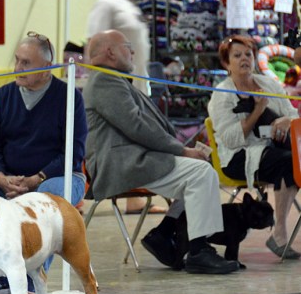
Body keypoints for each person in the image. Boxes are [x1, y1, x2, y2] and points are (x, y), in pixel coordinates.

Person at [83, 30, 238, 275]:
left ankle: (164, 233)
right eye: (127, 46)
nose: (132, 51)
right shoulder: (104, 80)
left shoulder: (114, 79)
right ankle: (198, 250)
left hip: (136, 158)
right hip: (121, 163)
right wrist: (182, 150)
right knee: (201, 173)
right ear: (110, 52)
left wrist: (181, 150)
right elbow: (136, 126)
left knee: (197, 175)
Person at [208, 35, 300, 259]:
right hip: (238, 157)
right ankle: (279, 232)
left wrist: (287, 121)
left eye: (248, 54)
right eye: (237, 56)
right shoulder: (222, 95)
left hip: (276, 150)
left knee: (291, 161)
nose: (244, 59)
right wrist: (257, 111)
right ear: (226, 63)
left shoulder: (268, 84)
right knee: (288, 161)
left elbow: (293, 113)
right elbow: (230, 140)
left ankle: (278, 231)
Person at [87, 0, 165, 215]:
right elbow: (93, 44)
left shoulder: (128, 4)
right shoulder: (107, 3)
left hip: (138, 84)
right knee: (127, 138)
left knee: (137, 140)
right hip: (115, 88)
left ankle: (135, 197)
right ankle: (117, 189)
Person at [0, 32, 87, 207]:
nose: (17, 68)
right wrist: (0, 178)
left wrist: (36, 179)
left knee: (46, 197)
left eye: (26, 63)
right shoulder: (2, 96)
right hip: (9, 179)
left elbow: (74, 153)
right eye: (17, 60)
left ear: (46, 68)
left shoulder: (69, 97)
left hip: (57, 178)